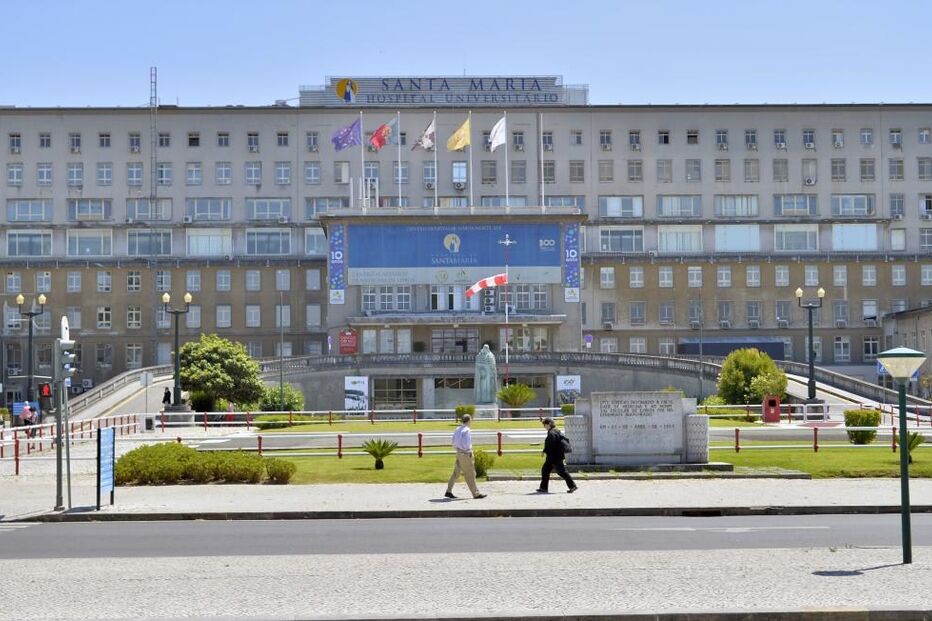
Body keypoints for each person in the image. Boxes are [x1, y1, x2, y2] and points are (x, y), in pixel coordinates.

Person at [444, 414, 487, 499]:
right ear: (468, 420)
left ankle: (448, 491)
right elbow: (466, 443)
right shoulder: (467, 430)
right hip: (465, 454)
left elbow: (453, 441)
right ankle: (476, 494)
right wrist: (468, 451)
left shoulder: (458, 429)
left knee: (456, 473)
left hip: (459, 453)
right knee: (470, 474)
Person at [537, 417, 577, 494]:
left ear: (549, 424)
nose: (544, 427)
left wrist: (544, 451)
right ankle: (543, 488)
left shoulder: (552, 432)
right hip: (553, 456)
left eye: (545, 425)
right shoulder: (554, 430)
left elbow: (550, 444)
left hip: (555, 456)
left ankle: (572, 486)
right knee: (545, 470)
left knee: (562, 472)